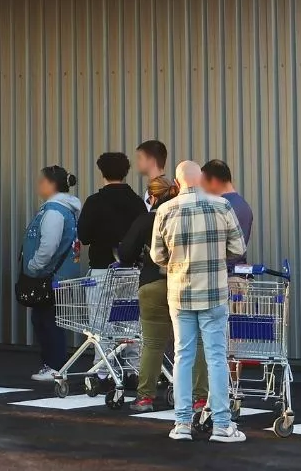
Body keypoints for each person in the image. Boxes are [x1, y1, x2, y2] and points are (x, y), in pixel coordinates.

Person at [151, 161, 247, 444]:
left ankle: (181, 424)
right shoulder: (222, 206)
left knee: (183, 356)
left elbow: (157, 255)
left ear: (178, 183)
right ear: (202, 180)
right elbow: (238, 249)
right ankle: (221, 425)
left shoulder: (165, 210)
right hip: (214, 293)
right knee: (216, 358)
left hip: (180, 293)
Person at [191, 158, 256, 406]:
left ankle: (221, 392)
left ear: (212, 180)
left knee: (220, 340)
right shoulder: (243, 205)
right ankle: (232, 389)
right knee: (233, 341)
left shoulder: (222, 206)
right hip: (239, 278)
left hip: (223, 278)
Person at [117, 174, 176, 413]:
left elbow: (126, 253)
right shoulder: (181, 215)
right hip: (183, 284)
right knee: (191, 342)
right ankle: (198, 398)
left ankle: (145, 398)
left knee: (152, 343)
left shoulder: (146, 219)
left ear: (152, 197)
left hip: (152, 282)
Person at [21, 165, 80, 382]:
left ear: (51, 184)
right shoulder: (63, 208)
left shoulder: (54, 210)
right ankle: (53, 364)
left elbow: (48, 245)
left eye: (42, 181)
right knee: (47, 319)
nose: (39, 185)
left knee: (48, 321)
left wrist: (34, 266)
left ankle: (55, 366)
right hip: (59, 275)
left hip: (50, 276)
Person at [77, 151, 146, 276]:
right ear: (125, 173)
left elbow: (83, 237)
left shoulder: (94, 202)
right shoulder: (137, 202)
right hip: (131, 272)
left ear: (102, 172)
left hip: (101, 269)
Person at [136, 140, 175, 210]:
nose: (137, 163)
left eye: (140, 158)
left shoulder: (159, 191)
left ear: (151, 160)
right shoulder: (169, 187)